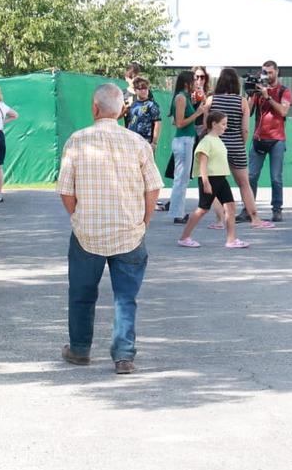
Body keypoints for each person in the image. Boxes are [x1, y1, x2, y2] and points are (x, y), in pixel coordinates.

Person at [57, 82, 162, 374]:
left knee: (81, 293)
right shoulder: (138, 143)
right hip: (129, 232)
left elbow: (65, 190)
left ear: (94, 108)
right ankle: (124, 356)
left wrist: (77, 216)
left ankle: (79, 350)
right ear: (121, 110)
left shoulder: (77, 141)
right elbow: (153, 188)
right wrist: (144, 222)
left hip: (86, 233)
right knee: (125, 298)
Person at [210, 69, 273, 229]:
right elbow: (245, 129)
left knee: (214, 183)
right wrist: (241, 144)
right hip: (236, 145)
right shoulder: (242, 101)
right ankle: (254, 218)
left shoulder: (211, 100)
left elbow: (206, 126)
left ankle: (219, 220)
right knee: (244, 183)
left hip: (216, 146)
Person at [177, 111, 249, 249]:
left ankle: (231, 240)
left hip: (221, 178)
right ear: (214, 124)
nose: (225, 127)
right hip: (210, 179)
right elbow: (203, 163)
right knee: (202, 209)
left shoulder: (218, 140)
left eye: (226, 124)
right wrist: (205, 182)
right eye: (223, 124)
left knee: (231, 207)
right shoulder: (206, 141)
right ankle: (184, 237)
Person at [238, 60, 292, 224]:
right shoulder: (258, 90)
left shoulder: (284, 91)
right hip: (258, 138)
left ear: (276, 72)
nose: (267, 76)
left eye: (269, 72)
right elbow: (246, 112)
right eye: (264, 72)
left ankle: (277, 210)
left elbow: (283, 110)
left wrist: (268, 96)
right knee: (251, 176)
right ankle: (248, 210)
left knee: (276, 177)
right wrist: (251, 94)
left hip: (277, 139)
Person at [169, 70, 209, 223]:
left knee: (183, 177)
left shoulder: (185, 97)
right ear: (187, 83)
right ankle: (177, 213)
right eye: (193, 80)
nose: (196, 83)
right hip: (183, 140)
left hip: (187, 139)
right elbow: (179, 123)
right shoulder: (181, 97)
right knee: (181, 178)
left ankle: (177, 211)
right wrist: (197, 113)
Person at [122, 77, 160, 148]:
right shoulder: (133, 105)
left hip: (145, 141)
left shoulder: (151, 105)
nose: (144, 91)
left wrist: (154, 142)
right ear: (135, 90)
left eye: (145, 88)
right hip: (132, 140)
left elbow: (157, 123)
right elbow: (129, 122)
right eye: (140, 89)